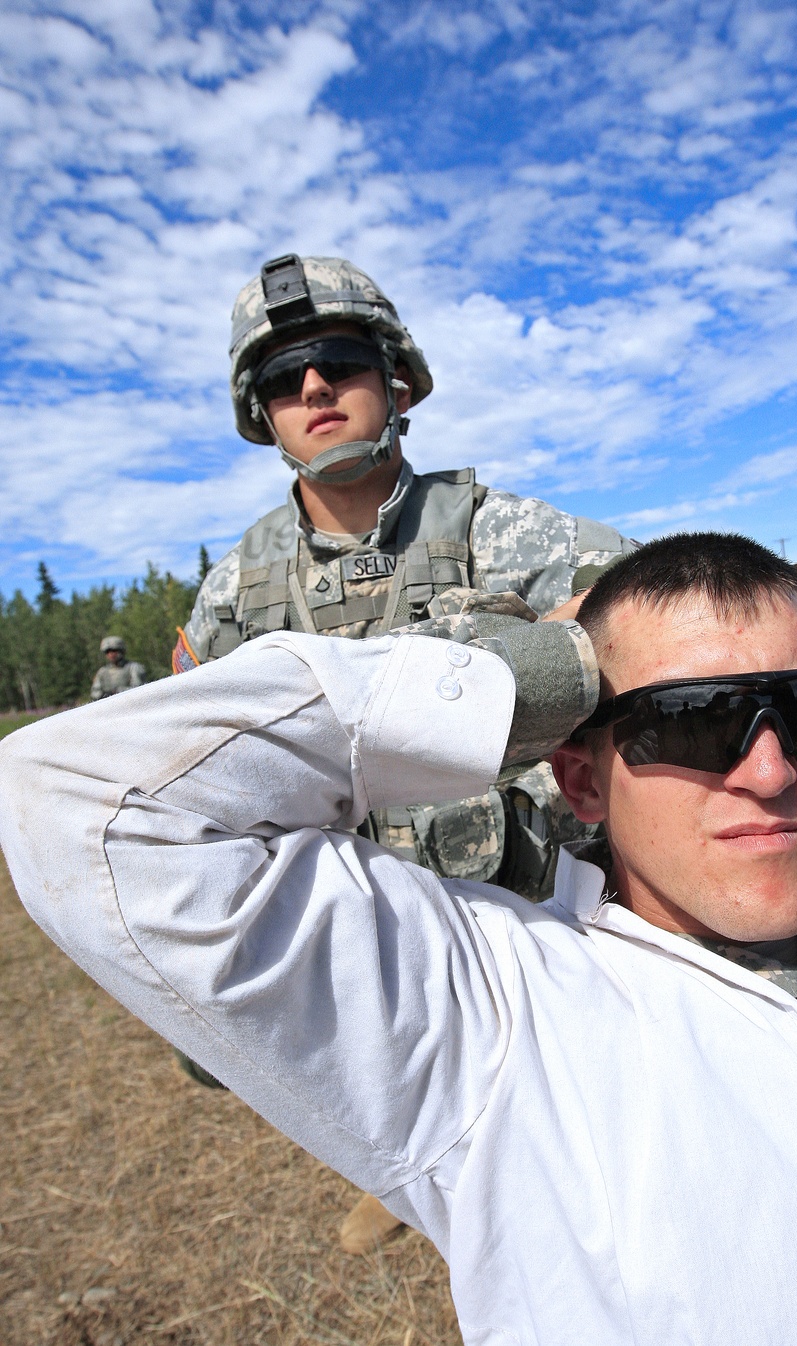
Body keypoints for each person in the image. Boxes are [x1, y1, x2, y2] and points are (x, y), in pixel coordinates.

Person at [3, 531, 797, 1345]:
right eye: (697, 722)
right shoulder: (496, 1016)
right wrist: (542, 670)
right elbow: (83, 801)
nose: (771, 771)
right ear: (578, 778)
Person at [170, 251, 633, 1250]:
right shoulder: (233, 592)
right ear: (263, 414)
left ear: (396, 380)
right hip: (353, 946)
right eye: (279, 379)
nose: (311, 388)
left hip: (516, 923)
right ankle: (411, 1154)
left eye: (336, 359)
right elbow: (175, 774)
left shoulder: (485, 528)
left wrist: (503, 663)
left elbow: (645, 594)